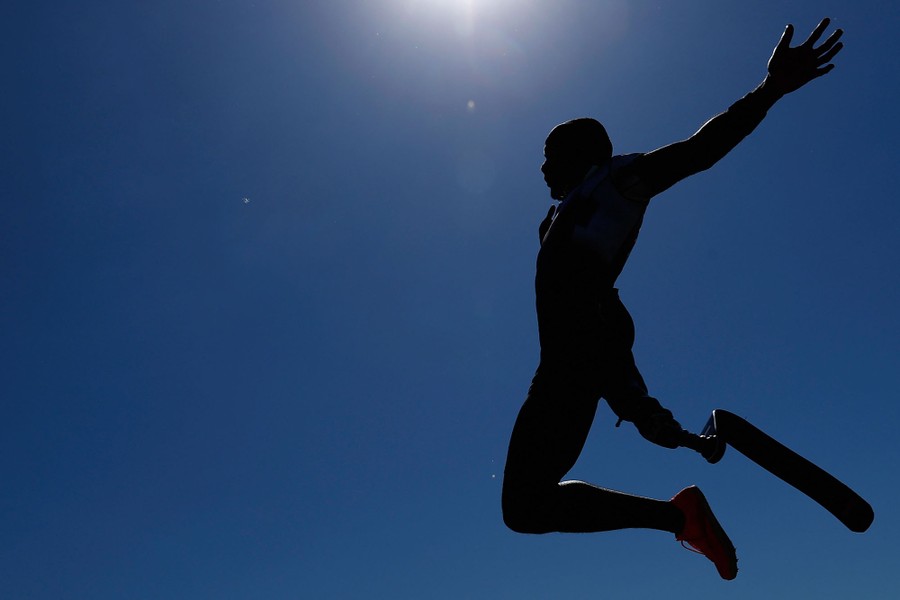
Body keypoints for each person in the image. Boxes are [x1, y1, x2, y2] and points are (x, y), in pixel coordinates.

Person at [501, 19, 844, 580]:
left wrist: (769, 90)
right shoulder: (553, 221)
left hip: (572, 370)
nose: (541, 166)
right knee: (525, 506)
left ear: (581, 153)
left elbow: (699, 151)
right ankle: (679, 515)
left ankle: (679, 518)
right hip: (567, 367)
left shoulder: (617, 179)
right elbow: (598, 318)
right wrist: (643, 411)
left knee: (524, 506)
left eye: (550, 153)